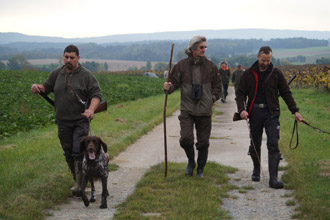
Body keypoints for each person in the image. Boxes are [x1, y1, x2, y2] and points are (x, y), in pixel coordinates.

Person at [31, 45, 102, 196]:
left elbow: (96, 95)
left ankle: (79, 184)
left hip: (80, 120)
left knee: (78, 151)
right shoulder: (57, 73)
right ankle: (77, 178)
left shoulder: (86, 75)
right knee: (68, 152)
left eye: (72, 57)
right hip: (62, 121)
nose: (68, 60)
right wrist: (37, 87)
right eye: (66, 57)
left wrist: (91, 109)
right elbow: (46, 87)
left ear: (78, 58)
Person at [236, 46, 303, 189]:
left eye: (268, 60)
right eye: (263, 60)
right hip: (254, 113)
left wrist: (295, 111)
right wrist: (242, 110)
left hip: (271, 113)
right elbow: (240, 93)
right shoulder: (248, 74)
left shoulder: (276, 73)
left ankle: (273, 179)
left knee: (273, 143)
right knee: (255, 142)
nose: (266, 63)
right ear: (258, 57)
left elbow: (286, 93)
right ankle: (256, 170)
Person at [163, 36, 222, 178]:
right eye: (201, 47)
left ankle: (200, 169)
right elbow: (173, 85)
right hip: (187, 109)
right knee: (186, 139)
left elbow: (218, 87)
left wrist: (211, 99)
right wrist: (167, 87)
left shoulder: (211, 66)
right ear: (193, 48)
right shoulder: (181, 66)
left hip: (204, 110)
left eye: (205, 47)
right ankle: (191, 161)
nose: (204, 50)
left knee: (203, 143)